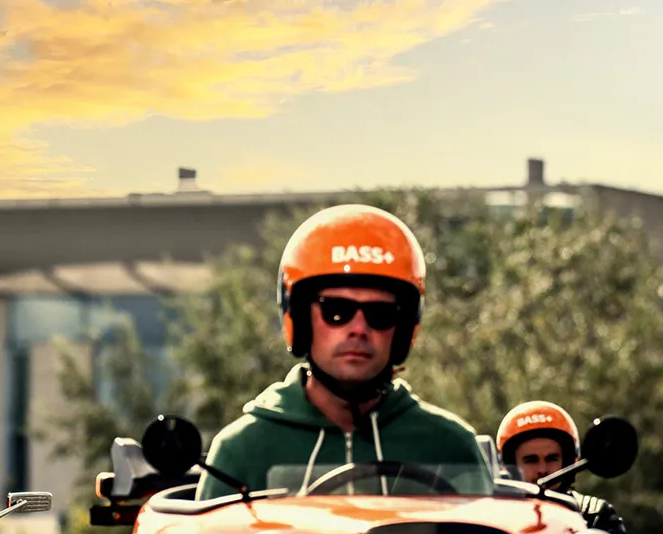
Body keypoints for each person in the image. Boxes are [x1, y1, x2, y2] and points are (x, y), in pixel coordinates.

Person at [196, 204, 490, 501]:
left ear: (402, 329)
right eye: (336, 311)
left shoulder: (450, 446)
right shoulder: (242, 450)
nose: (359, 328)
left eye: (380, 313)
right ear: (299, 317)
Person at [496, 400, 631, 534]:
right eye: (531, 460)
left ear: (570, 460)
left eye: (552, 458)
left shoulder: (594, 515)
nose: (542, 469)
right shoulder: (493, 519)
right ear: (509, 465)